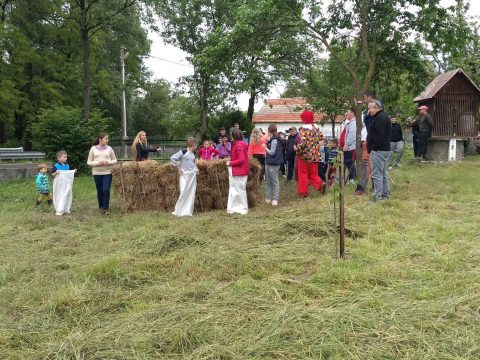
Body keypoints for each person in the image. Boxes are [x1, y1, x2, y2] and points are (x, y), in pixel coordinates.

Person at [295, 110, 326, 197]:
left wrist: (297, 150)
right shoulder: (316, 129)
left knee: (303, 174)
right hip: (315, 155)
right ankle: (320, 184)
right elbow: (321, 139)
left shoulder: (303, 129)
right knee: (313, 174)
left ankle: (303, 193)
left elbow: (303, 143)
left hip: (304, 156)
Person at [366, 100, 392, 202]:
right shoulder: (383, 116)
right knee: (383, 173)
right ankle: (385, 195)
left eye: (370, 108)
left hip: (379, 150)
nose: (369, 111)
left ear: (376, 107)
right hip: (384, 149)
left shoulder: (380, 118)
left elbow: (379, 136)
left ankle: (377, 197)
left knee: (376, 174)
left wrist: (374, 148)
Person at [87, 133, 117, 215]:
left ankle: (106, 208)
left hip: (108, 172)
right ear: (100, 139)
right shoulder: (93, 149)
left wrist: (108, 162)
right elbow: (89, 162)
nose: (107, 140)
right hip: (97, 173)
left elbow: (115, 160)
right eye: (106, 139)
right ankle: (101, 207)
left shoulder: (109, 148)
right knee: (100, 190)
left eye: (108, 139)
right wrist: (97, 163)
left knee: (106, 190)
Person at [170, 137, 198, 217]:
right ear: (193, 144)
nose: (196, 146)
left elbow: (193, 163)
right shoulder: (183, 152)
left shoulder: (193, 153)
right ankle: (180, 209)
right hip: (184, 175)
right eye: (195, 144)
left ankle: (188, 209)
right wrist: (178, 168)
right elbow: (173, 158)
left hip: (192, 176)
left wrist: (196, 169)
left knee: (191, 193)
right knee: (184, 192)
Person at [226, 129, 249, 214]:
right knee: (238, 190)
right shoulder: (240, 144)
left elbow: (242, 159)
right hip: (241, 170)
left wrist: (230, 163)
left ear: (234, 136)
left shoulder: (239, 145)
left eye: (231, 136)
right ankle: (237, 207)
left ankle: (242, 208)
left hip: (240, 171)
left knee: (239, 190)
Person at [262, 124, 283, 206]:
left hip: (274, 164)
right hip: (268, 163)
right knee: (269, 182)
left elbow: (272, 152)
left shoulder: (274, 140)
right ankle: (267, 197)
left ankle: (275, 199)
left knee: (275, 182)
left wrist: (265, 147)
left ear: (269, 131)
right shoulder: (271, 140)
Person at [51, 150, 76, 216]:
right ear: (59, 158)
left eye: (66, 157)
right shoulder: (56, 166)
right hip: (60, 185)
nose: (66, 158)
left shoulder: (67, 165)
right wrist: (56, 172)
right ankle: (59, 209)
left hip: (67, 184)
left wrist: (73, 171)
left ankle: (66, 209)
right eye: (64, 157)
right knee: (61, 196)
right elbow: (52, 175)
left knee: (68, 195)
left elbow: (68, 173)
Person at [354, 123, 370, 195]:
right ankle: (361, 187)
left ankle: (362, 188)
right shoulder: (366, 124)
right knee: (364, 167)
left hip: (368, 147)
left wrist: (367, 141)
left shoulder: (372, 122)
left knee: (366, 168)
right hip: (364, 147)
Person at [342, 108, 357, 182]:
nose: (345, 113)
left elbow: (352, 134)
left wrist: (346, 144)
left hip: (351, 147)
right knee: (348, 163)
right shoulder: (350, 123)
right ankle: (352, 178)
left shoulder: (354, 123)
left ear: (352, 113)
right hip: (349, 146)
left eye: (347, 111)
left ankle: (352, 179)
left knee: (349, 162)